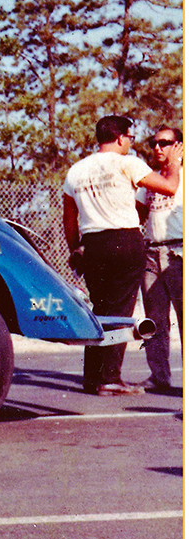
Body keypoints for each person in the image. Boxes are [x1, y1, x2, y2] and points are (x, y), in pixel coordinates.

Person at [62, 115, 180, 397]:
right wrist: (175, 164)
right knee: (121, 313)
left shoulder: (76, 171)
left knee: (99, 310)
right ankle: (110, 377)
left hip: (92, 242)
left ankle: (92, 377)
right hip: (124, 239)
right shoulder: (128, 163)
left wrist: (76, 247)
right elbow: (170, 187)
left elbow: (69, 217)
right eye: (131, 137)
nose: (131, 142)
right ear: (120, 138)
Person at [136, 126, 183, 393]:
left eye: (165, 143)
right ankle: (159, 376)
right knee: (154, 321)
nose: (157, 148)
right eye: (154, 143)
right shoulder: (152, 180)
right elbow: (137, 215)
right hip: (152, 253)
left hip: (179, 252)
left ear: (179, 147)